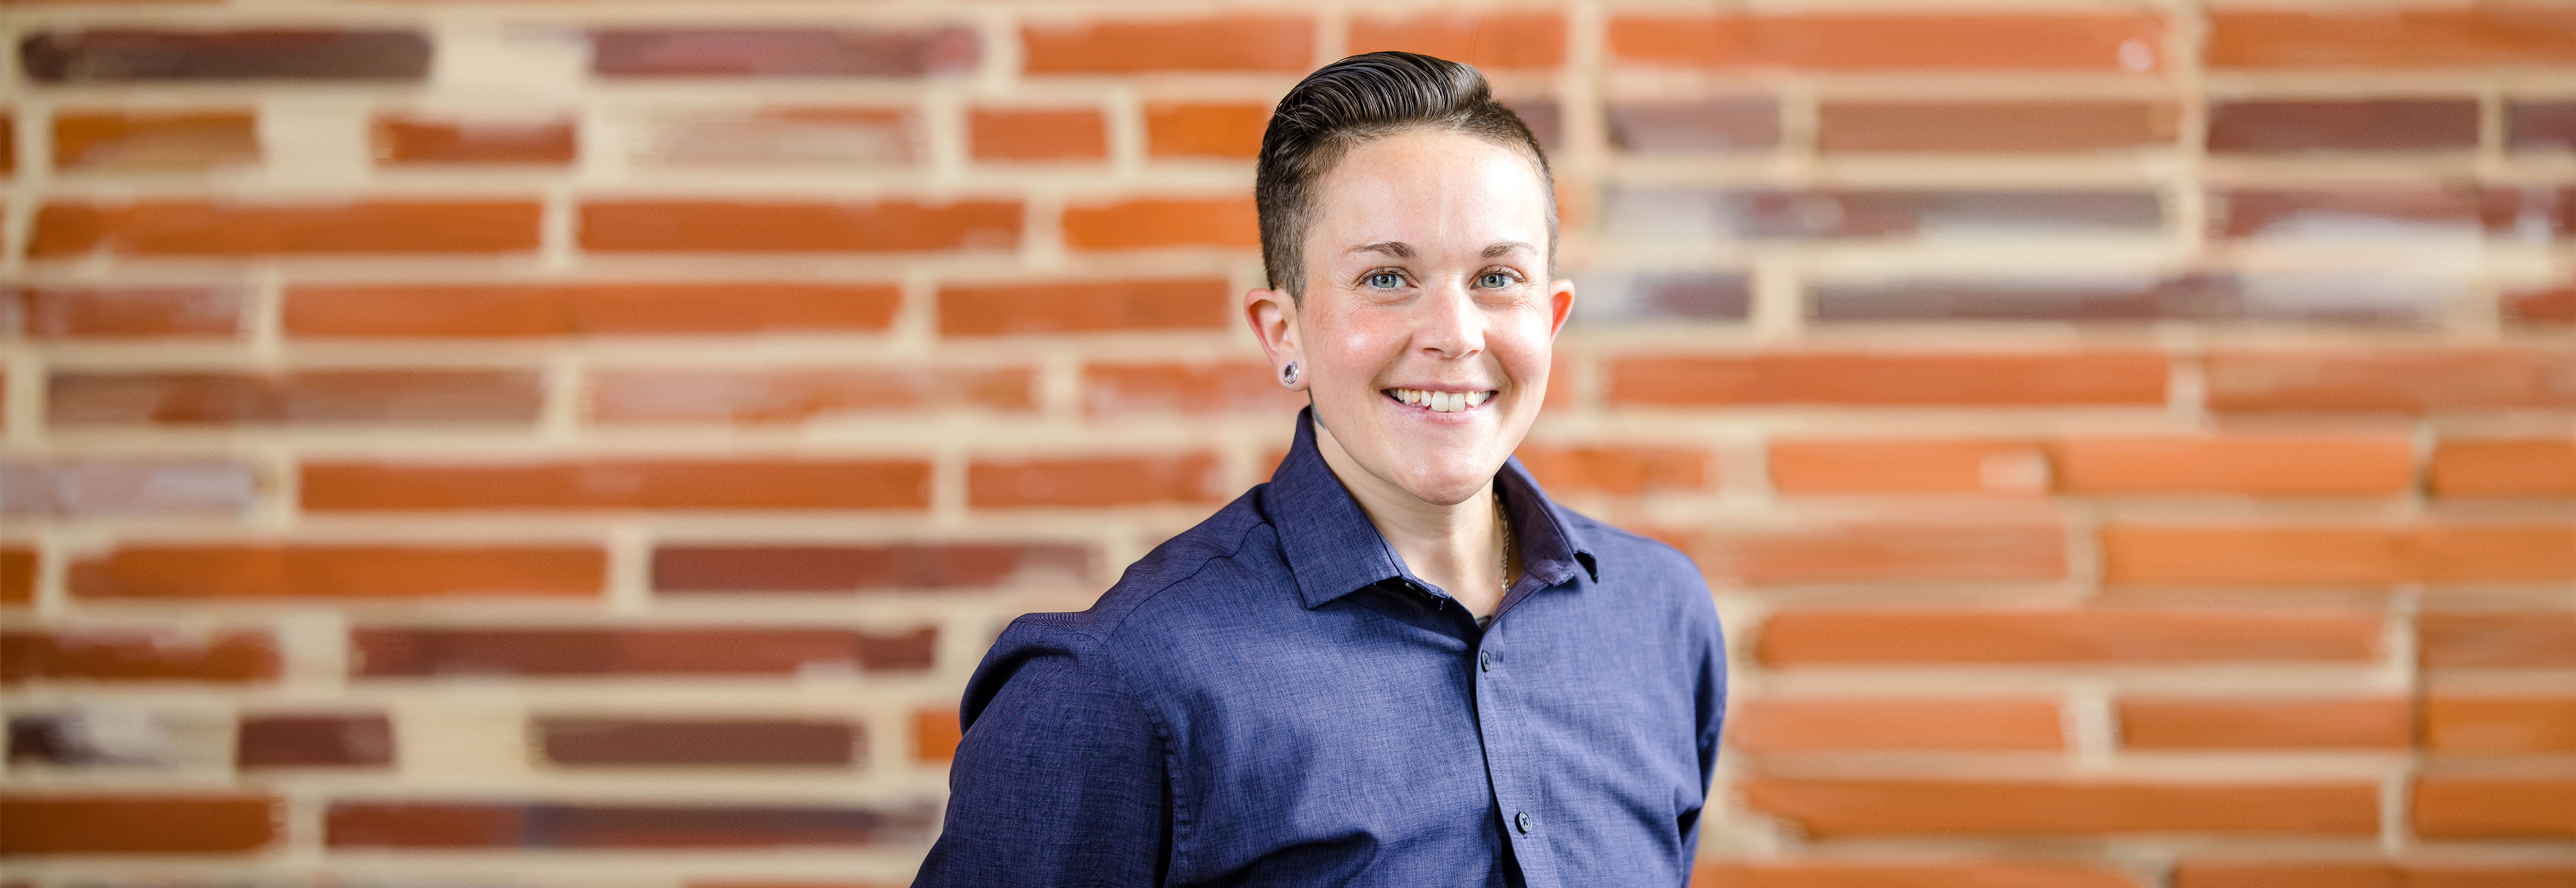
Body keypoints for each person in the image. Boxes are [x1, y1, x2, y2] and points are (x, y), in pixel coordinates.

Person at [914, 51, 1726, 887]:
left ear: (1549, 320)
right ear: (1284, 333)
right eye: (1386, 277)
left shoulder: (1659, 616)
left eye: (1496, 277)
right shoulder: (1114, 685)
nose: (1455, 335)